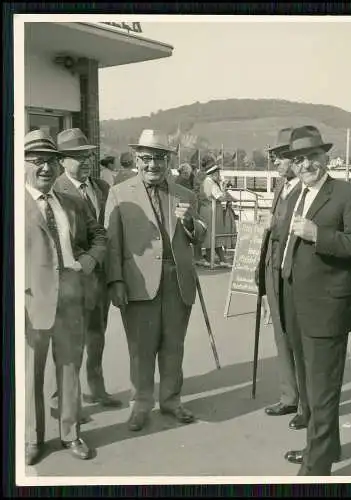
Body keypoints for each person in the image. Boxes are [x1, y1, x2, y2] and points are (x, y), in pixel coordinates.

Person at [279, 125, 351, 475]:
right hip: (294, 302)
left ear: (325, 158)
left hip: (327, 307)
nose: (305, 164)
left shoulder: (346, 194)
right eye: (298, 159)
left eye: (312, 157)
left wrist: (318, 234)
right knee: (308, 386)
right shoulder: (293, 196)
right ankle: (322, 447)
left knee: (322, 389)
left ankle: (316, 465)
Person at [104, 129, 207, 432]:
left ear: (168, 161)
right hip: (137, 284)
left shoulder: (185, 194)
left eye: (159, 158)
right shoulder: (119, 193)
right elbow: (112, 244)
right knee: (141, 348)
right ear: (137, 159)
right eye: (146, 158)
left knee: (174, 346)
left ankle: (172, 401)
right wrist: (116, 282)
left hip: (178, 282)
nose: (153, 165)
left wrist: (189, 221)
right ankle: (140, 405)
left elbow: (200, 235)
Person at [24, 129, 107, 465]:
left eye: (52, 161)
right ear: (24, 165)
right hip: (31, 303)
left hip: (71, 299)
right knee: (30, 374)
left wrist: (86, 263)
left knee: (70, 369)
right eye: (38, 161)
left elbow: (99, 237)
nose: (46, 168)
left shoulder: (71, 203)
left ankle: (71, 434)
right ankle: (32, 439)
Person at [53, 128, 121, 408]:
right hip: (71, 280)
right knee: (69, 344)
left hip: (99, 279)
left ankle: (97, 388)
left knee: (97, 336)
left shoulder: (103, 188)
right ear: (61, 161)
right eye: (76, 157)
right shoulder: (55, 190)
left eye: (88, 156)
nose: (84, 162)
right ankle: (67, 400)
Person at [255, 127, 303, 428]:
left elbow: (297, 228)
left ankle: (306, 405)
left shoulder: (305, 189)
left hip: (294, 274)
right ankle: (289, 397)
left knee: (299, 339)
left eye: (278, 156)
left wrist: (276, 224)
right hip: (273, 271)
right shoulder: (280, 188)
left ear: (293, 158)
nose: (274, 161)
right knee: (281, 337)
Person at [198, 156, 235, 267]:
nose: (220, 176)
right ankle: (215, 260)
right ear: (214, 174)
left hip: (208, 211)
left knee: (213, 236)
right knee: (213, 236)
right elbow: (221, 197)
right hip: (211, 212)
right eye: (218, 174)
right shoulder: (210, 183)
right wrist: (224, 188)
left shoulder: (207, 181)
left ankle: (215, 259)